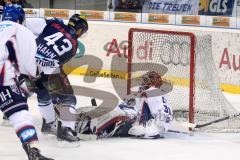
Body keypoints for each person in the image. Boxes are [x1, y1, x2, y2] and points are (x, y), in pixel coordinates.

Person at [0, 5, 53, 160]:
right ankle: (33, 152)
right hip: (3, 76)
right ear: (21, 19)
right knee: (20, 115)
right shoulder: (24, 31)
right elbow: (29, 67)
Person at [77, 71, 173, 139]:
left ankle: (90, 129)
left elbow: (164, 119)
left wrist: (149, 131)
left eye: (147, 81)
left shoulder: (154, 93)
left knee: (114, 116)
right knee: (109, 111)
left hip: (134, 122)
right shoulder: (143, 93)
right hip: (128, 116)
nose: (143, 83)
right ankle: (84, 124)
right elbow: (126, 106)